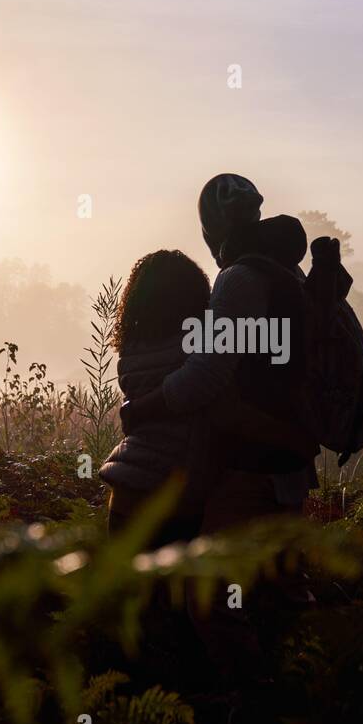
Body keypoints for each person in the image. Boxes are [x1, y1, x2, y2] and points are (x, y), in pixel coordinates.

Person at [121, 174, 321, 534]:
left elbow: (205, 376)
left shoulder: (239, 279)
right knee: (276, 582)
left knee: (229, 584)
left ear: (212, 226)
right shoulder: (286, 273)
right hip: (284, 463)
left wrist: (139, 409)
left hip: (252, 472)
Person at [99, 249, 317, 549]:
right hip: (169, 499)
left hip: (125, 488)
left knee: (131, 593)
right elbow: (226, 412)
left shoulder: (131, 353)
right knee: (172, 593)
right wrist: (294, 440)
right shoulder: (198, 356)